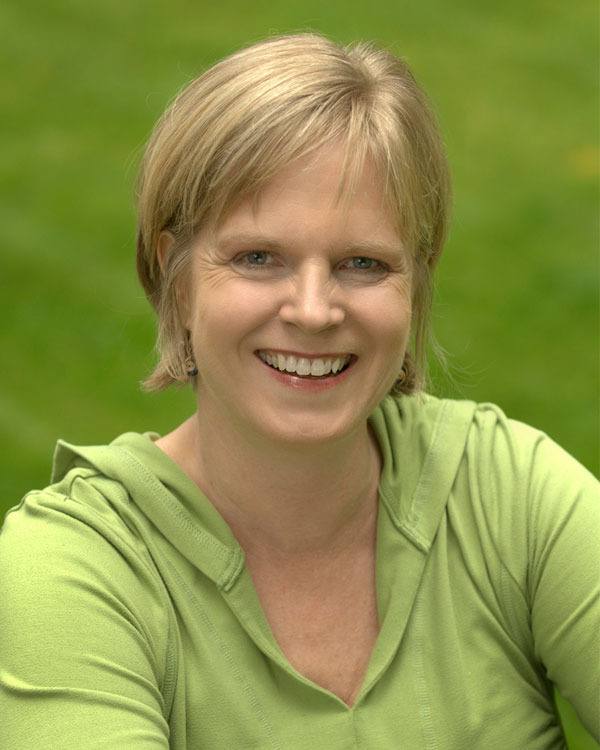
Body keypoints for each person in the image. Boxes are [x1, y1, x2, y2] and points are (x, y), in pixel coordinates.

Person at [0, 32, 598, 750]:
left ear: (416, 280)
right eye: (259, 258)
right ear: (177, 278)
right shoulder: (77, 567)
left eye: (362, 264)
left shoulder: (507, 492)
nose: (313, 311)